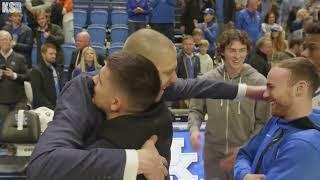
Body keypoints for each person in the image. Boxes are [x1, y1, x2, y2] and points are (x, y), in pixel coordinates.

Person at [27, 29, 266, 180]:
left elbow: (199, 86)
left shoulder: (158, 95)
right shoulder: (83, 89)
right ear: (142, 73)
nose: (174, 80)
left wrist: (250, 91)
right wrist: (136, 160)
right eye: (168, 72)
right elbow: (44, 164)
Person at [188, 29, 270, 180]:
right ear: (223, 51)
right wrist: (194, 130)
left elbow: (263, 123)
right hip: (213, 156)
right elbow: (195, 110)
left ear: (247, 52)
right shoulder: (207, 80)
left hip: (244, 157)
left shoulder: (259, 82)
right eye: (232, 50)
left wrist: (246, 149)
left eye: (242, 50)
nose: (237, 56)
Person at [86, 51, 173, 180]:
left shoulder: (100, 151)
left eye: (100, 81)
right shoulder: (162, 119)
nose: (93, 80)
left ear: (115, 102)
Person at [234, 58, 320, 180]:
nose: (265, 94)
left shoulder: (305, 145)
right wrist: (244, 175)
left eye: (271, 87)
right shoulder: (277, 121)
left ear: (300, 89)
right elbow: (245, 154)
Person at [0, 30, 29, 124]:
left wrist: (14, 76)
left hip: (19, 101)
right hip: (2, 102)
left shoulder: (20, 58)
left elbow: (28, 76)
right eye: (2, 40)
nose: (4, 42)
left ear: (11, 41)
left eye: (7, 39)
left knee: (19, 130)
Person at [30, 43, 63, 110]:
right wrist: (53, 109)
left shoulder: (55, 68)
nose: (54, 56)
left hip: (58, 106)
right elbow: (38, 96)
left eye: (55, 54)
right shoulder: (36, 71)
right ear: (43, 54)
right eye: (51, 54)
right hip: (45, 109)